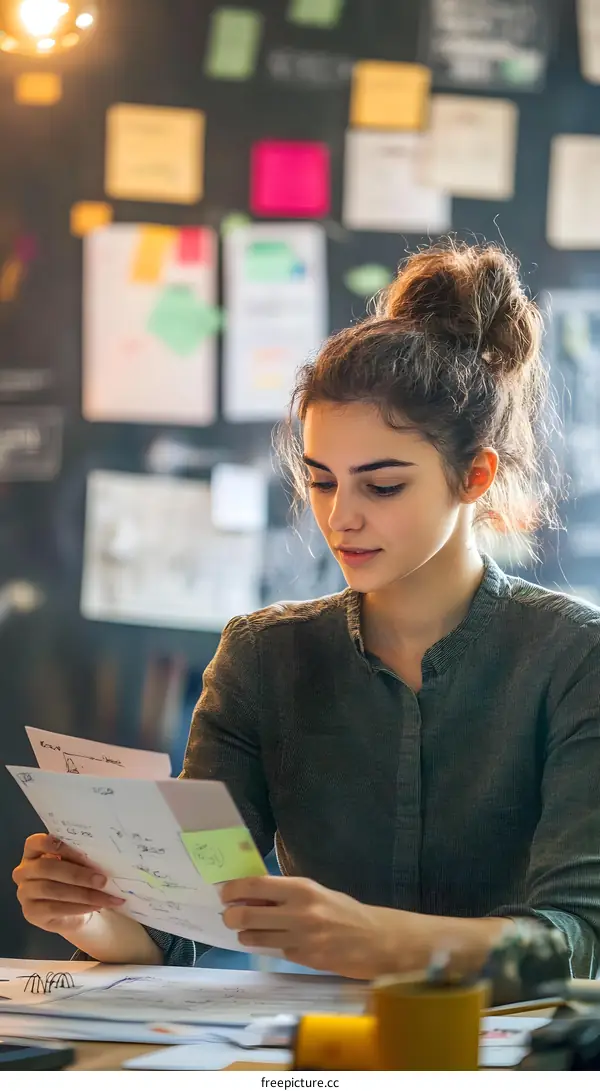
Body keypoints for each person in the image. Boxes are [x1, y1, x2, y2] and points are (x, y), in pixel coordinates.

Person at [13, 244, 600, 981]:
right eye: (321, 481)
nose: (340, 518)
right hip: (313, 1050)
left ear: (474, 475)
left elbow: (580, 941)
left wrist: (372, 935)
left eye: (381, 486)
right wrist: (88, 912)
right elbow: (185, 925)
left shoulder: (574, 657)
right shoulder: (263, 658)